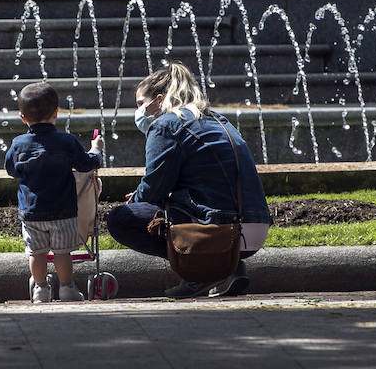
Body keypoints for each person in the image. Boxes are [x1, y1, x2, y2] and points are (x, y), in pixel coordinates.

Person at [105, 61, 272, 299]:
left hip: (221, 229)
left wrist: (136, 204)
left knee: (121, 219)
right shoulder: (217, 119)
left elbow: (153, 188)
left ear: (160, 100)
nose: (139, 111)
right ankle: (227, 268)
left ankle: (203, 273)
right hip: (255, 229)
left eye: (141, 104)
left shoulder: (165, 125)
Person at [4, 82, 104, 303]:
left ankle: (40, 288)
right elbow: (87, 164)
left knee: (36, 253)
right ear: (56, 113)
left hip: (31, 212)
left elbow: (11, 170)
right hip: (63, 211)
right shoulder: (66, 141)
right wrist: (96, 149)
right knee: (62, 252)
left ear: (23, 117)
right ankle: (67, 288)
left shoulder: (18, 144)